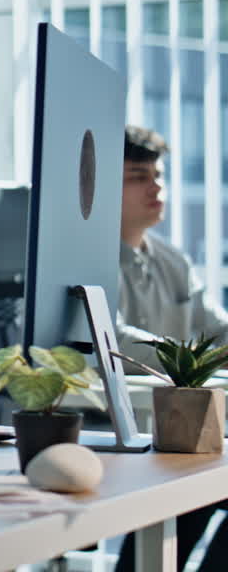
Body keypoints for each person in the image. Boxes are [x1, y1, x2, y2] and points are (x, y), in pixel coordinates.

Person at [114, 124, 228, 572]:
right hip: (118, 424)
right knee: (195, 489)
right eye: (138, 177)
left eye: (157, 176)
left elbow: (213, 328)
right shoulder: (86, 259)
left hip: (178, 426)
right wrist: (194, 361)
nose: (155, 187)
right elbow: (112, 342)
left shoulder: (172, 260)